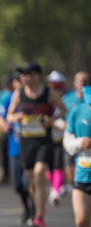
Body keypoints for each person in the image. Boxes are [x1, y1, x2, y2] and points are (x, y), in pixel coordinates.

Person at [6, 62, 68, 227]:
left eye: (26, 74)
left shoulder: (49, 93)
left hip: (43, 140)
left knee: (40, 173)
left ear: (36, 76)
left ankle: (39, 217)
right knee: (32, 180)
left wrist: (51, 120)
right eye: (22, 75)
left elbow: (63, 109)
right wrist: (15, 116)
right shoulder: (18, 94)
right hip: (26, 142)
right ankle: (37, 208)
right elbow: (8, 116)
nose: (23, 78)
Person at [63, 77, 91, 227]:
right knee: (81, 222)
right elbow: (67, 142)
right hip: (83, 174)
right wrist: (80, 143)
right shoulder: (77, 111)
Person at [0, 72, 32, 225]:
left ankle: (35, 210)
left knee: (28, 182)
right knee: (17, 185)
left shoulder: (34, 98)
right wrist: (5, 125)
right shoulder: (9, 98)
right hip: (14, 148)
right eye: (18, 81)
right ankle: (26, 207)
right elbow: (1, 116)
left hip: (31, 147)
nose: (20, 83)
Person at [62, 71, 89, 190]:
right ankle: (73, 186)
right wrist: (80, 142)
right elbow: (57, 115)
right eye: (79, 81)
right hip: (75, 138)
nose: (82, 83)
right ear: (74, 83)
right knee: (70, 173)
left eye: (85, 81)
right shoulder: (67, 99)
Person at [46, 70, 68, 206]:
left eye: (57, 88)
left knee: (57, 166)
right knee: (48, 168)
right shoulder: (45, 101)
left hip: (61, 140)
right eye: (52, 87)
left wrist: (56, 122)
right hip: (47, 139)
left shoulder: (66, 101)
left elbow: (66, 120)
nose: (55, 90)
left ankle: (55, 191)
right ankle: (55, 186)